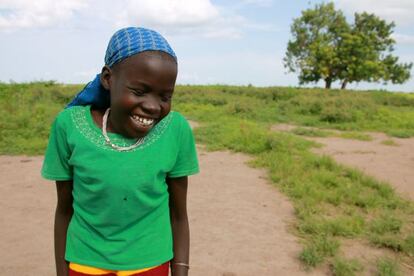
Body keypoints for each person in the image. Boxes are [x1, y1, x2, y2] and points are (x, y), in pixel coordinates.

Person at [41, 27, 199, 276]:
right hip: (84, 265)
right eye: (139, 91)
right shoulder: (68, 126)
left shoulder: (175, 130)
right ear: (107, 78)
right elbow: (64, 210)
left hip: (151, 265)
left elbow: (179, 215)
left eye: (165, 96)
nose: (152, 106)